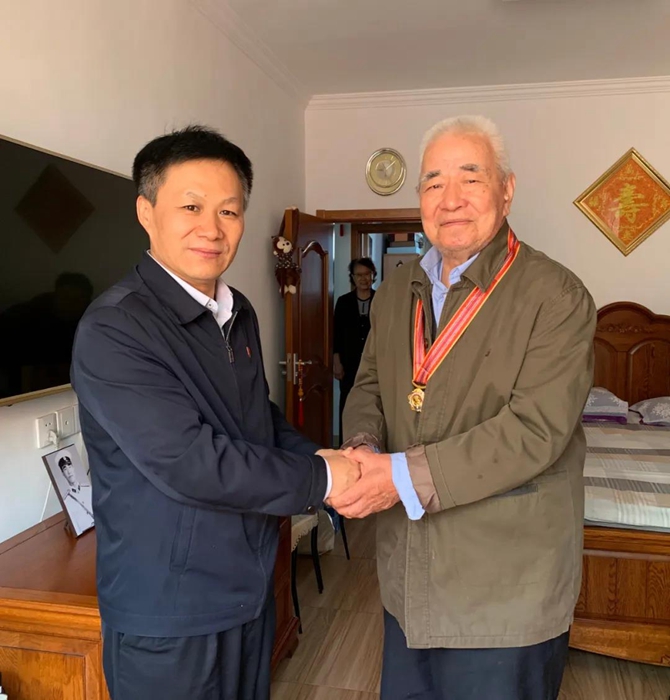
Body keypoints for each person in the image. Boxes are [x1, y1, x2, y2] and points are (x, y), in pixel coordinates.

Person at [70, 125, 360, 700]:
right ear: (146, 212)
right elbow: (190, 461)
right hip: (170, 614)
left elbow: (256, 419)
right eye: (191, 207)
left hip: (246, 591)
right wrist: (324, 479)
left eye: (229, 210)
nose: (212, 228)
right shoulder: (115, 328)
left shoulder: (236, 310)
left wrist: (325, 457)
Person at [330, 115, 596, 700]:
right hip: (408, 579)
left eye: (470, 178)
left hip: (504, 593)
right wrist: (363, 449)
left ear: (507, 189)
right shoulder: (397, 290)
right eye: (433, 182)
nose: (449, 199)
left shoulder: (555, 295)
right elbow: (370, 384)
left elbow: (535, 430)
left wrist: (398, 477)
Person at [333, 257, 377, 442]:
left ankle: (372, 444)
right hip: (348, 364)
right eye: (359, 275)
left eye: (367, 274)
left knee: (373, 404)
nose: (363, 278)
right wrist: (336, 361)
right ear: (352, 277)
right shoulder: (344, 302)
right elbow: (336, 333)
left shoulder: (381, 299)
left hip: (375, 364)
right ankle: (346, 443)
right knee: (348, 404)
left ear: (373, 275)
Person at [57, 451, 94, 533]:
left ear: (73, 468)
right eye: (65, 469)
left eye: (69, 466)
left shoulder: (88, 489)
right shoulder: (67, 501)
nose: (69, 471)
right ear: (63, 473)